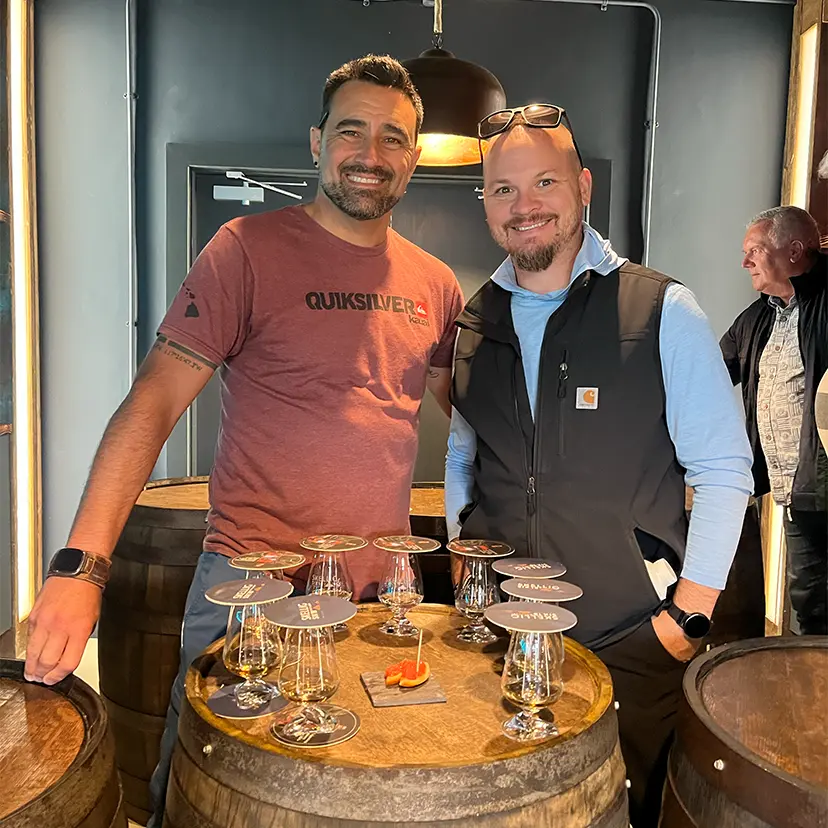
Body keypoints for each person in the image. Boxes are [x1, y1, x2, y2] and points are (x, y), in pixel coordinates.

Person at [24, 54, 464, 824]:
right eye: (351, 130)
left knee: (364, 797)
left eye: (393, 138)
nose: (370, 153)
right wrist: (81, 569)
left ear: (415, 157)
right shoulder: (245, 248)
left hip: (377, 597)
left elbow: (469, 421)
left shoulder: (435, 283)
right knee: (206, 795)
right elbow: (152, 404)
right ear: (316, 142)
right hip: (254, 588)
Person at [445, 105, 753, 828]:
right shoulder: (476, 316)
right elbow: (465, 448)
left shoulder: (660, 309)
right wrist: (463, 553)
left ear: (583, 186)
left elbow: (724, 469)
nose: (526, 206)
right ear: (486, 204)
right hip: (502, 634)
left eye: (545, 181)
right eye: (503, 190)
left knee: (617, 810)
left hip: (631, 635)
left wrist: (688, 617)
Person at [721, 206, 827, 635]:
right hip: (798, 492)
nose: (744, 262)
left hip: (822, 480)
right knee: (813, 604)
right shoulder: (760, 317)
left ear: (795, 251)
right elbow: (710, 370)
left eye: (754, 251)